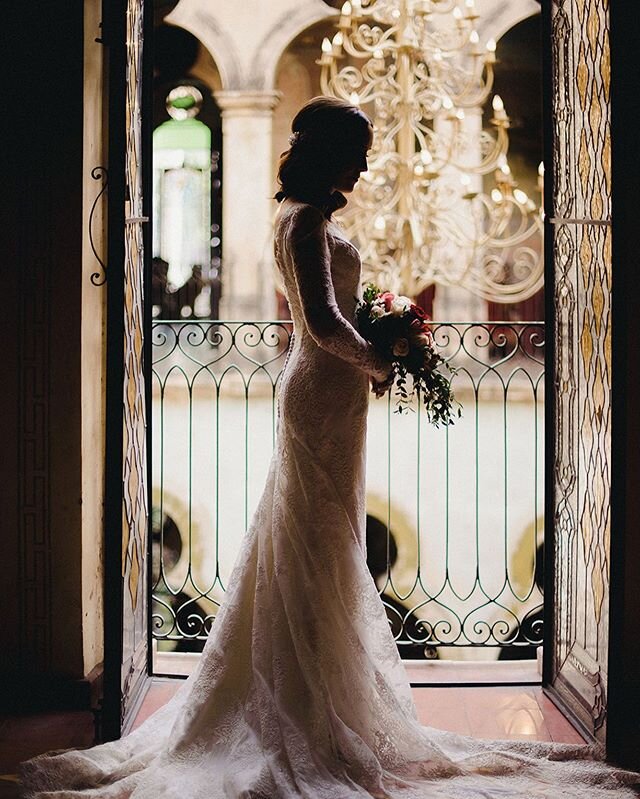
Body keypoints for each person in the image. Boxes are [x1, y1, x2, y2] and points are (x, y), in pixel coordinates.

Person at [20, 97, 638, 798]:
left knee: (317, 535)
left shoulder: (300, 216)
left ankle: (314, 685)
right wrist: (382, 358)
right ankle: (308, 701)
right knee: (317, 537)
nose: (367, 163)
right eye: (359, 149)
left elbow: (336, 310)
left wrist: (380, 332)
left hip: (328, 395)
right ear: (328, 152)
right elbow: (320, 324)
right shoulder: (308, 220)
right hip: (322, 391)